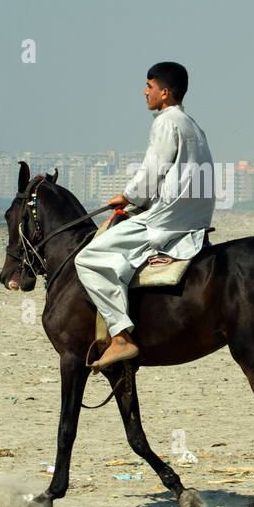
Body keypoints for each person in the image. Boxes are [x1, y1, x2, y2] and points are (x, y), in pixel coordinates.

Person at [75, 62, 215, 370]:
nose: (144, 92)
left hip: (167, 220)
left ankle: (121, 336)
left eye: (149, 86)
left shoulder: (166, 122)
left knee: (86, 259)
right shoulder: (193, 125)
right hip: (193, 217)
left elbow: (153, 170)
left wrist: (127, 197)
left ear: (164, 93)